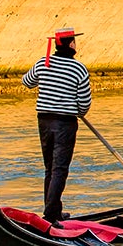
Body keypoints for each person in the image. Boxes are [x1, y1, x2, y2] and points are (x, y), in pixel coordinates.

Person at [22, 27, 93, 224]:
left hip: (44, 120)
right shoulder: (78, 69)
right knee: (60, 169)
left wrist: (43, 76)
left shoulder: (42, 64)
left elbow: (27, 82)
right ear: (71, 44)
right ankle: (51, 213)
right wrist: (76, 111)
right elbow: (85, 102)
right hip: (65, 123)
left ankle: (52, 209)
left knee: (49, 167)